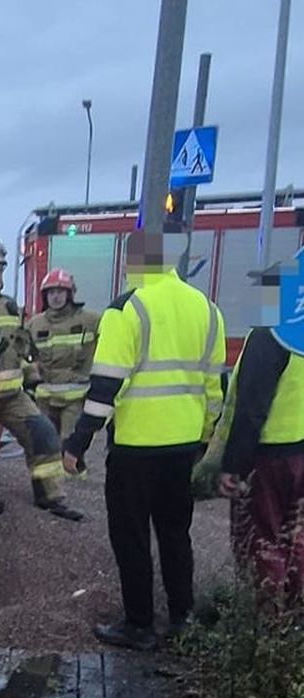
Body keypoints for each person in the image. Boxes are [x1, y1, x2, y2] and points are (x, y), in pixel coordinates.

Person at [62, 232, 225, 651]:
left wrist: (78, 442)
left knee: (131, 536)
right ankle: (183, 618)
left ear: (133, 263)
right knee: (176, 533)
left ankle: (139, 624)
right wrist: (204, 439)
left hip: (136, 448)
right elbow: (213, 388)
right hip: (184, 445)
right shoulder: (207, 310)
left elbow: (105, 389)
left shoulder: (126, 309)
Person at [0, 239, 82, 521]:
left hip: (11, 396)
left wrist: (32, 382)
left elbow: (23, 347)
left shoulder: (10, 306)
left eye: (0, 270)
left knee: (44, 435)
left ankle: (50, 496)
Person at [216, 325, 304, 609]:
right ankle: (295, 621)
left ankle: (268, 628)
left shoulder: (271, 334)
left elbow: (251, 408)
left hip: (271, 456)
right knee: (297, 541)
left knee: (261, 543)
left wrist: (233, 466)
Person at [27, 270, 101, 443]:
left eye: (60, 292)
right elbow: (24, 356)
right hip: (44, 399)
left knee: (70, 446)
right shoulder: (34, 324)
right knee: (45, 447)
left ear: (70, 294)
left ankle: (73, 470)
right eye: (51, 292)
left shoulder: (91, 321)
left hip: (75, 398)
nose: (56, 297)